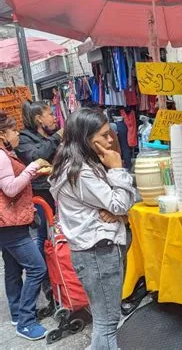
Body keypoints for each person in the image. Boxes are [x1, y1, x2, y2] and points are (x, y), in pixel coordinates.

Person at [49, 107, 135, 350]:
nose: (111, 140)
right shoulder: (81, 172)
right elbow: (120, 202)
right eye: (105, 135)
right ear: (86, 139)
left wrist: (119, 210)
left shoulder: (79, 164)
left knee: (104, 320)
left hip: (97, 251)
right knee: (108, 322)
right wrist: (117, 169)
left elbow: (121, 202)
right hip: (98, 252)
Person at [0, 111, 49, 340]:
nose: (17, 134)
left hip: (7, 223)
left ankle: (17, 313)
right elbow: (10, 188)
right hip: (10, 223)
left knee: (12, 268)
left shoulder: (5, 154)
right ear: (3, 134)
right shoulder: (1, 156)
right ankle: (26, 322)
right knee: (37, 267)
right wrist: (32, 168)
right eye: (14, 130)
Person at [16, 101, 62, 307]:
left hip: (58, 189)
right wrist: (57, 137)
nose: (54, 117)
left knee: (58, 234)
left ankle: (63, 276)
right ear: (38, 119)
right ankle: (49, 285)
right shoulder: (25, 139)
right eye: (49, 114)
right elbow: (35, 156)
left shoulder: (47, 136)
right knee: (44, 237)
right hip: (41, 194)